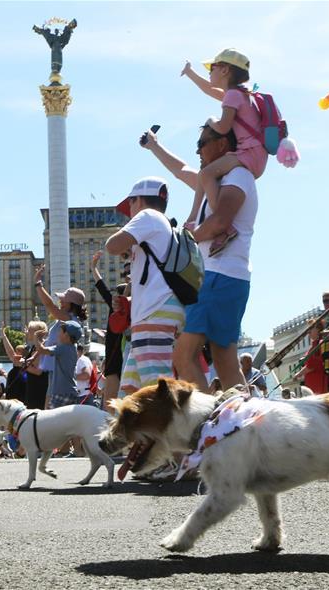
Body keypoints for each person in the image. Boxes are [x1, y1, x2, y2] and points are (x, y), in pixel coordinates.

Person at [140, 124, 255, 392]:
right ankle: (241, 422)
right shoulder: (213, 182)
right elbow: (181, 171)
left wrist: (189, 238)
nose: (198, 151)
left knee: (183, 356)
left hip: (218, 275)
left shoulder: (237, 176)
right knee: (225, 362)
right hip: (225, 277)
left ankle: (207, 422)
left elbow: (220, 221)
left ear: (223, 145)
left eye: (202, 143)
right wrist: (155, 145)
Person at [181, 49, 268, 254]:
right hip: (255, 154)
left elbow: (223, 128)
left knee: (206, 173)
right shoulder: (239, 94)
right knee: (206, 174)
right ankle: (193, 218)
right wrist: (190, 73)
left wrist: (210, 120)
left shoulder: (232, 96)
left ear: (225, 70)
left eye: (213, 67)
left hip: (249, 154)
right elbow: (207, 89)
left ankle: (224, 227)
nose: (210, 72)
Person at [106, 177, 185, 394]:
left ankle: (173, 429)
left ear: (138, 200)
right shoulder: (165, 225)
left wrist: (128, 237)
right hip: (157, 313)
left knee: (158, 393)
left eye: (130, 204)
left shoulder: (148, 216)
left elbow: (112, 245)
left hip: (154, 314)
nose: (129, 211)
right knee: (130, 394)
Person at [34, 267, 87, 404]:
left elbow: (49, 305)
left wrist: (38, 284)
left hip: (57, 364)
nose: (60, 302)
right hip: (55, 364)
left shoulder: (68, 319)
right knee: (49, 399)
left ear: (72, 304)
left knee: (50, 401)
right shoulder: (69, 319)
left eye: (63, 300)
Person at [91, 250, 128, 407]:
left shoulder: (133, 308)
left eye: (117, 296)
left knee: (113, 406)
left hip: (122, 360)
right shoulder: (115, 308)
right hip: (117, 361)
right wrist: (93, 268)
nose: (114, 298)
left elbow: (103, 288)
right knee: (111, 406)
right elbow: (101, 287)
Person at [31, 321, 83, 409]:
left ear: (66, 335)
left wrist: (36, 337)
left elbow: (41, 350)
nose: (58, 333)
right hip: (69, 391)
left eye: (60, 331)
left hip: (61, 393)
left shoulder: (63, 348)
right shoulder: (72, 347)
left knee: (52, 420)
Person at [293, 320, 329, 394]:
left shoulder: (319, 344)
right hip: (314, 384)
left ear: (318, 329)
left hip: (318, 383)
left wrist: (298, 374)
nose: (308, 332)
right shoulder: (314, 346)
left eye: (311, 328)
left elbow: (312, 366)